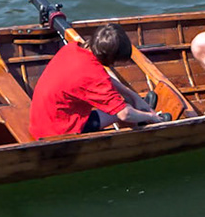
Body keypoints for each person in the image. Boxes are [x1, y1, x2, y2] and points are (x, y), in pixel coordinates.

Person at [30, 23, 169, 138]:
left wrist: (134, 96)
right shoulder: (92, 75)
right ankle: (140, 135)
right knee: (124, 111)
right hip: (57, 133)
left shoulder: (72, 49)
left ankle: (139, 111)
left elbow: (102, 78)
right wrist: (152, 117)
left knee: (125, 104)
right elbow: (124, 114)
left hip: (42, 121)